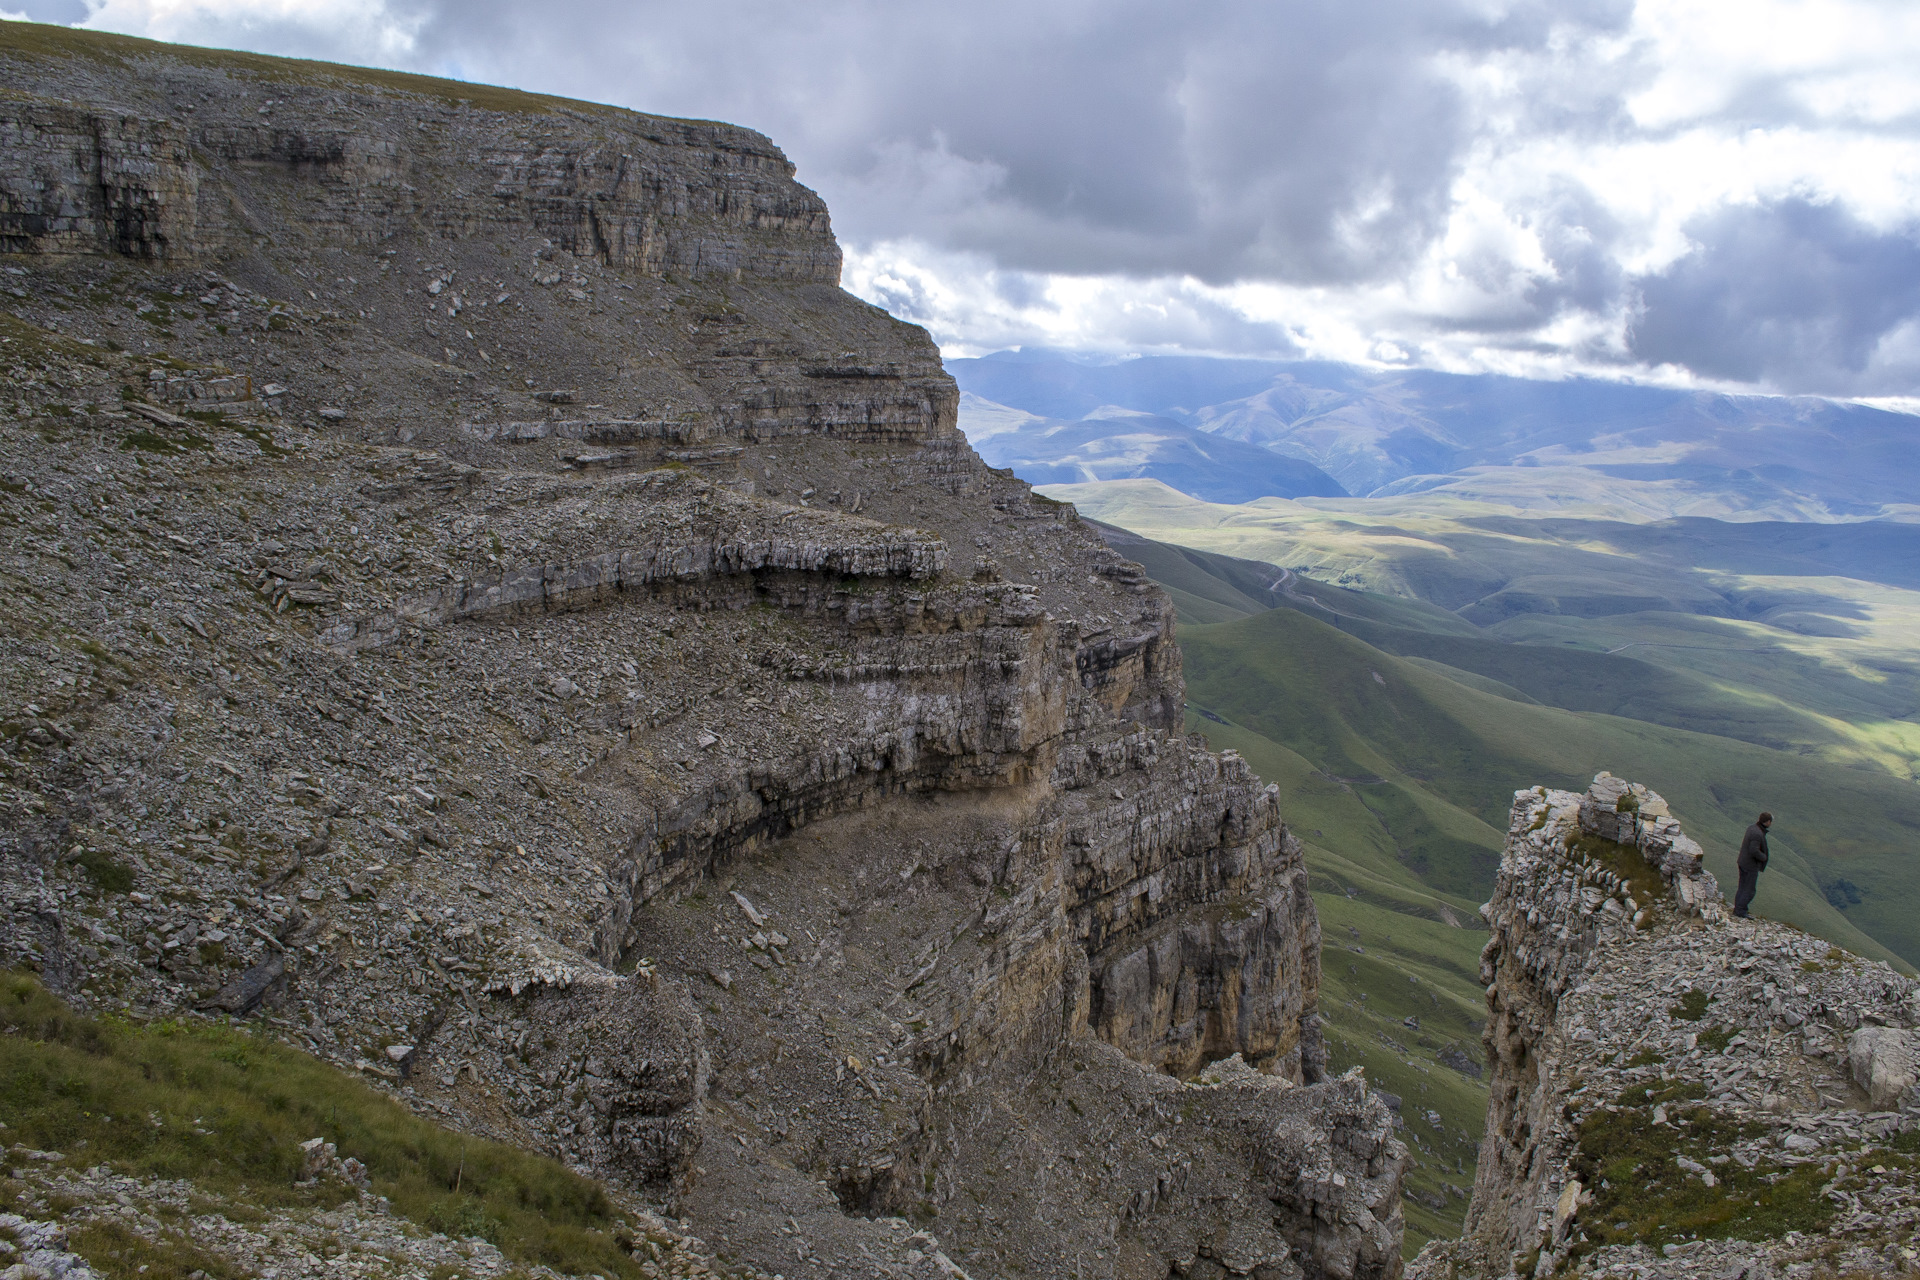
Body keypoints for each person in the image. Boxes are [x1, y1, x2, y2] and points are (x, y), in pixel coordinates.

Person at [1734, 811, 1772, 918]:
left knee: (1742, 887)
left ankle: (1738, 909)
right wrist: (1763, 857)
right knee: (1749, 890)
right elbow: (1753, 850)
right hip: (1750, 865)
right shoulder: (1757, 833)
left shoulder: (1752, 828)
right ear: (1768, 822)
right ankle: (1741, 911)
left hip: (1743, 862)